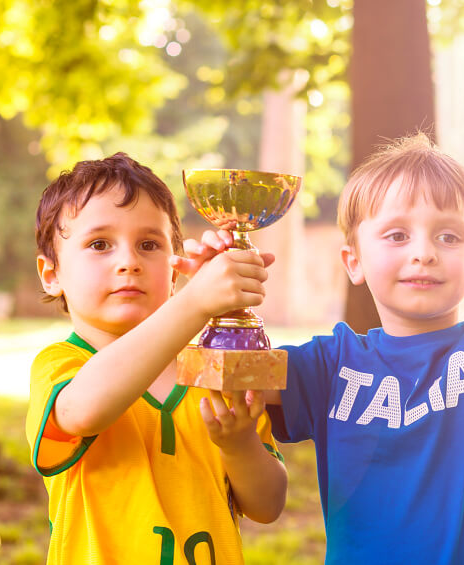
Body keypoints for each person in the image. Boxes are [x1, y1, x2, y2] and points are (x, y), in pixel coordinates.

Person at [181, 133, 464, 564]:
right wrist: (205, 296)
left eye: (448, 237)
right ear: (354, 261)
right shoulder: (330, 365)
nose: (423, 252)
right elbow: (223, 371)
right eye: (397, 235)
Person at [25, 153, 287, 565]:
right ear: (50, 273)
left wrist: (239, 445)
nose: (128, 262)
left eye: (149, 245)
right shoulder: (59, 365)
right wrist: (193, 304)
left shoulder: (214, 366)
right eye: (99, 244)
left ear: (174, 268)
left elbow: (267, 506)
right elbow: (83, 412)